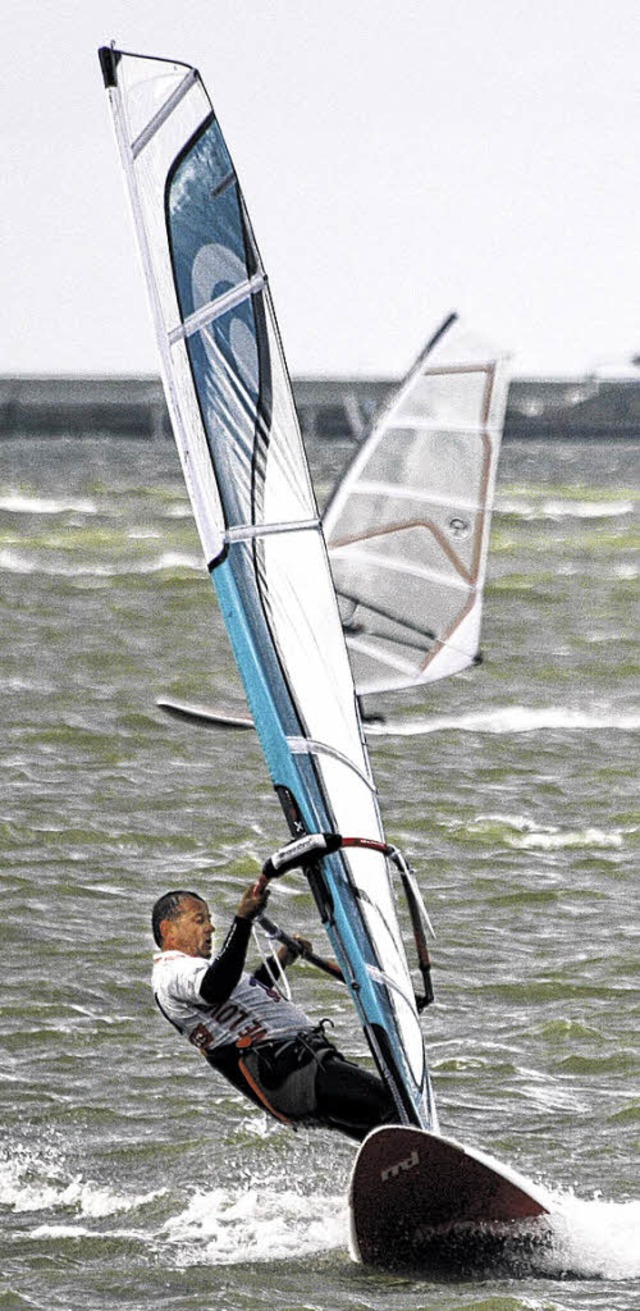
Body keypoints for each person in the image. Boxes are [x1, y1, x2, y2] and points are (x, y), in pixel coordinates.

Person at [151, 881, 396, 1141]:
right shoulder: (172, 972)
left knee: (383, 1133)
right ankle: (425, 1171)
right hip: (290, 1073)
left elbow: (244, 997)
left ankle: (406, 1173)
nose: (210, 927)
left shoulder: (190, 971)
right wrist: (242, 920)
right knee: (391, 1109)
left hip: (296, 1072)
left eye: (209, 919)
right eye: (199, 920)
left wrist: (281, 960)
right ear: (168, 929)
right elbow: (216, 988)